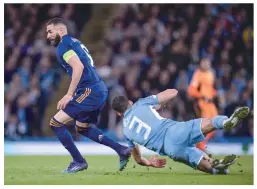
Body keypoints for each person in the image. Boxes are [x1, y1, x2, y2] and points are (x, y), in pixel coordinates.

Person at [46, 18, 130, 173]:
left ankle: (78, 161)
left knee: (56, 123)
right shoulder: (74, 42)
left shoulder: (63, 45)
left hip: (89, 90)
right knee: (82, 128)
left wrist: (69, 94)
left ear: (61, 30)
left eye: (50, 31)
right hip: (97, 88)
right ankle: (121, 150)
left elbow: (78, 67)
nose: (48, 36)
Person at [112, 89, 249, 174]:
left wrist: (150, 163)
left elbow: (138, 159)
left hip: (171, 150)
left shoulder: (126, 131)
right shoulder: (141, 103)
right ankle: (226, 122)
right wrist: (159, 104)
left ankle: (217, 167)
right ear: (130, 102)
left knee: (209, 168)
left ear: (119, 114)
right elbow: (173, 92)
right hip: (173, 131)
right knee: (209, 122)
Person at [188, 58, 218, 153]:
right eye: (204, 63)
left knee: (215, 125)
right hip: (202, 103)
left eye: (207, 63)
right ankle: (200, 146)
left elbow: (210, 88)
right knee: (207, 125)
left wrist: (214, 93)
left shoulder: (210, 73)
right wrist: (202, 96)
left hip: (210, 103)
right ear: (200, 64)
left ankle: (198, 144)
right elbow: (191, 90)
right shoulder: (198, 74)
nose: (206, 64)